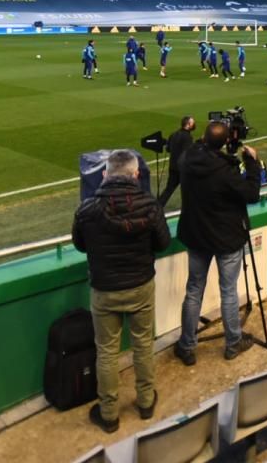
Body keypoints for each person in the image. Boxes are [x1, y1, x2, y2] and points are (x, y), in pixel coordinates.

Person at [72, 149, 170, 431]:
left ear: (105, 174)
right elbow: (163, 243)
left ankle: (109, 414)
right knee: (142, 346)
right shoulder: (150, 205)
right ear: (136, 174)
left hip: (105, 290)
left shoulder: (87, 210)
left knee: (107, 353)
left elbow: (80, 245)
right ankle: (146, 402)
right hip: (140, 286)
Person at [175, 122, 262, 365]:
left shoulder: (189, 159)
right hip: (226, 238)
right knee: (228, 291)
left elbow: (198, 148)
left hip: (197, 236)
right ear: (225, 143)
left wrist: (215, 143)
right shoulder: (225, 171)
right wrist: (253, 163)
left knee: (193, 290)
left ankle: (187, 346)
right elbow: (252, 194)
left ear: (202, 139)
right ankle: (233, 343)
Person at [159, 115, 195, 206]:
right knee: (190, 190)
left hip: (173, 166)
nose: (194, 124)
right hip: (182, 169)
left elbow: (168, 149)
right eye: (192, 123)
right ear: (188, 124)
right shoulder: (187, 137)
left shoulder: (174, 134)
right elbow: (187, 154)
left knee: (169, 189)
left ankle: (157, 206)